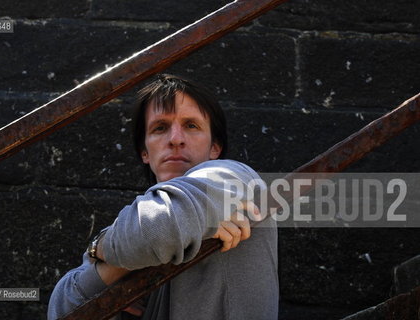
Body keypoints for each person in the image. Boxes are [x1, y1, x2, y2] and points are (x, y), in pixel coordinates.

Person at [48, 74, 278, 319]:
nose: (176, 139)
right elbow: (62, 306)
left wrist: (104, 251)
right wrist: (118, 255)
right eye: (160, 128)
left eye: (191, 125)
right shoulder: (134, 227)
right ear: (145, 152)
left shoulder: (234, 176)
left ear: (215, 148)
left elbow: (157, 231)